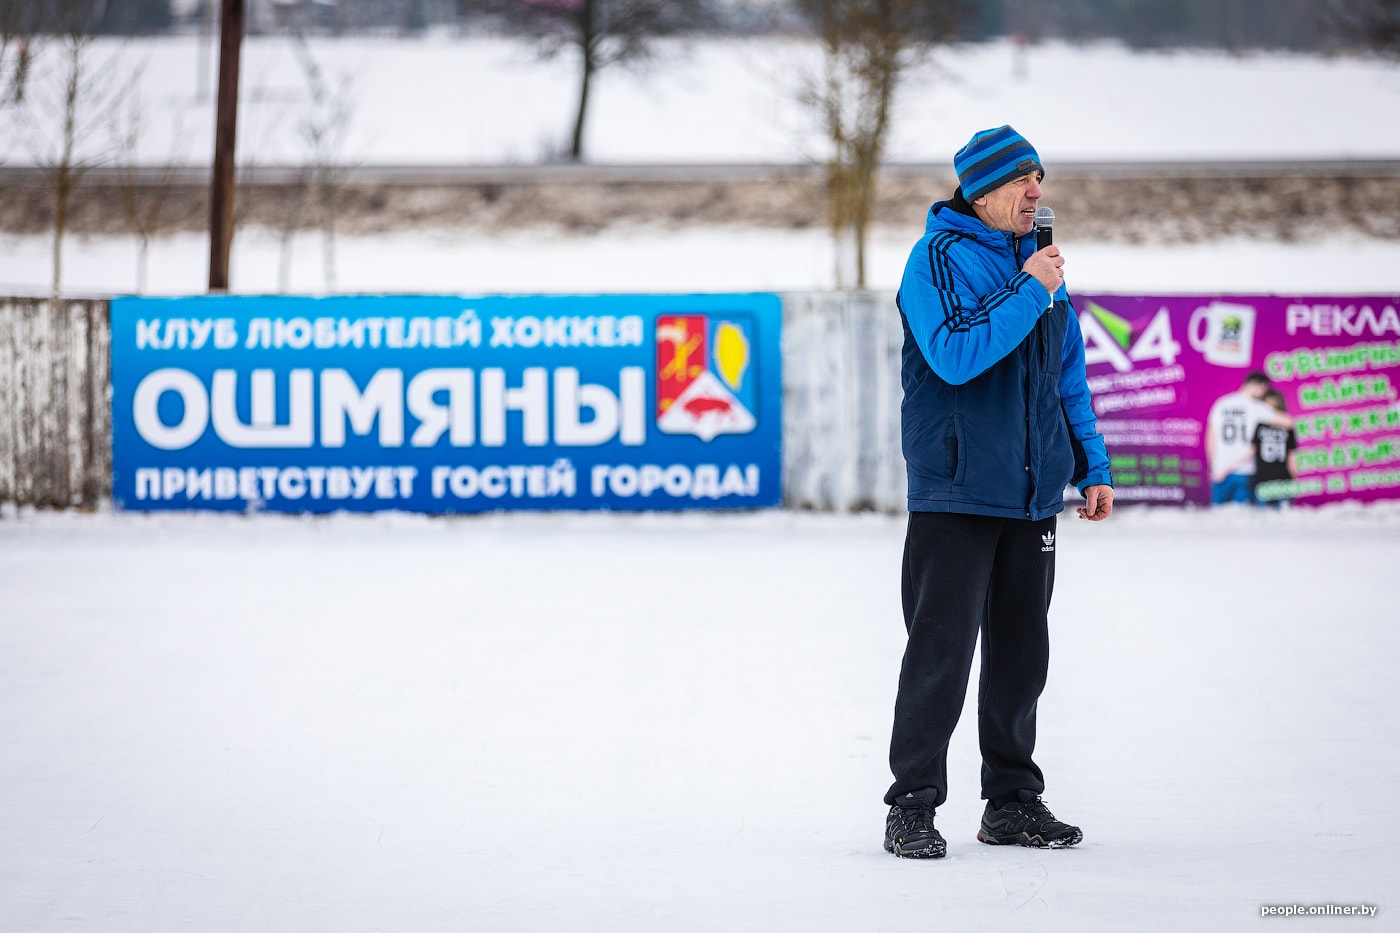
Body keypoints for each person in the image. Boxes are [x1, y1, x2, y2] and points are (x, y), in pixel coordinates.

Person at [883, 125, 1114, 860]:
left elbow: (1065, 374)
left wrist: (1093, 465)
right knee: (939, 657)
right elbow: (954, 355)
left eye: (1039, 178)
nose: (1036, 193)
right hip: (955, 492)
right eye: (1022, 181)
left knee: (1021, 657)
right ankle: (911, 806)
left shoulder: (1040, 268)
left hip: (1032, 494)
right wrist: (1028, 288)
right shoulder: (936, 259)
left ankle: (1012, 800)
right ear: (982, 191)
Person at [1204, 372, 1291, 505]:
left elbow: (1211, 438)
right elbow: (1289, 422)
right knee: (1241, 518)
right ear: (1259, 386)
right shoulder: (1256, 407)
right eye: (1264, 390)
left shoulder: (1221, 403)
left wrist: (1213, 465)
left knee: (1218, 519)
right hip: (1245, 469)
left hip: (1220, 470)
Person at [1249, 389, 1298, 507]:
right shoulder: (1288, 427)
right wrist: (1295, 479)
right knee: (1284, 521)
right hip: (1283, 480)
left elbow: (1251, 452)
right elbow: (1292, 458)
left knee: (1262, 521)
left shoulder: (1260, 425)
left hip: (1263, 480)